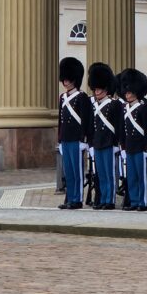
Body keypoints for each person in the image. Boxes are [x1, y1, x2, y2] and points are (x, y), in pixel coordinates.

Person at [57, 57, 92, 210]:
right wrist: (59, 139)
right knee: (68, 171)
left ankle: (77, 199)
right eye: (64, 79)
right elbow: (61, 120)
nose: (66, 82)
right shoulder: (63, 98)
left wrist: (84, 139)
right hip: (66, 138)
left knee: (77, 171)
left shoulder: (82, 97)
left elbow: (85, 120)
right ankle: (70, 197)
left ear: (75, 79)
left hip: (76, 139)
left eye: (68, 79)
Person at [88, 62, 123, 210]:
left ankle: (110, 200)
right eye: (95, 88)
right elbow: (90, 127)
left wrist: (117, 144)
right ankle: (102, 198)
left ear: (106, 88)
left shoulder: (114, 104)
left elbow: (119, 126)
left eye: (99, 88)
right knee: (101, 174)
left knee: (109, 174)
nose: (97, 91)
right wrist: (90, 144)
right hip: (97, 142)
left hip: (109, 142)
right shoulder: (93, 105)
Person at [118, 68, 147, 212]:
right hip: (129, 147)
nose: (127, 94)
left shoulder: (143, 107)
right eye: (126, 92)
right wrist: (123, 146)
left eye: (130, 92)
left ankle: (142, 202)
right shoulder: (124, 108)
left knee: (141, 176)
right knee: (131, 177)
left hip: (141, 146)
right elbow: (122, 129)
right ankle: (134, 200)